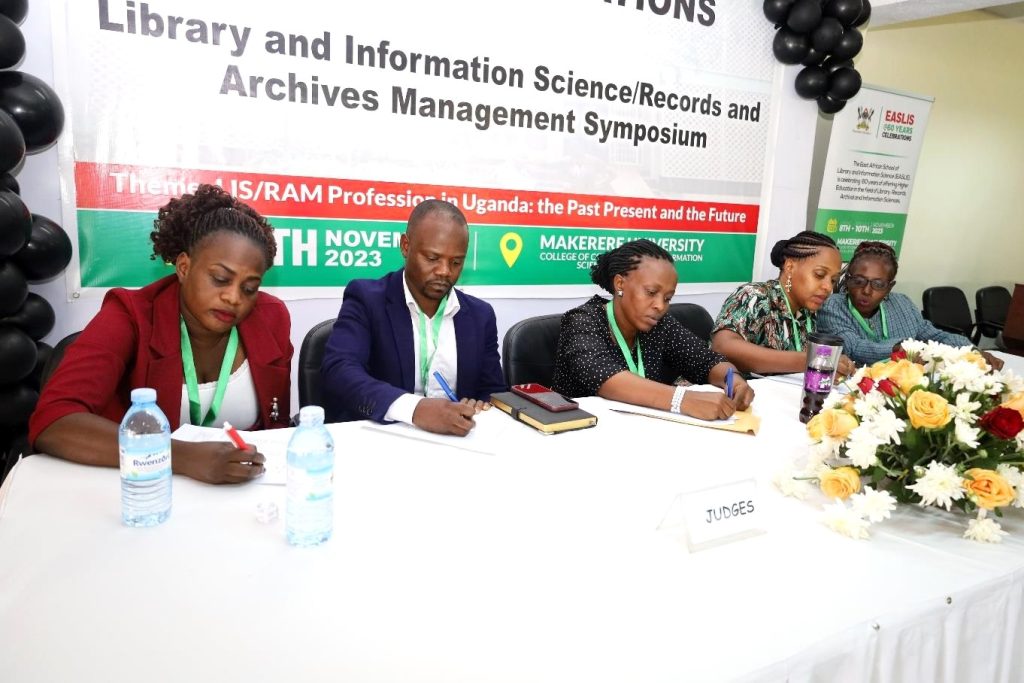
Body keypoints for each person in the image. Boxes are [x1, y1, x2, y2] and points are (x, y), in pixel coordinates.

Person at [29, 184, 292, 484]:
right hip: (145, 490)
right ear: (183, 266)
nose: (234, 298)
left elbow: (276, 425)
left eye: (249, 288)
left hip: (241, 495)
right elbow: (54, 420)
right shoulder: (131, 315)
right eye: (220, 279)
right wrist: (182, 457)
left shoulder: (271, 318)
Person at [321, 199, 505, 435]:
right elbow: (339, 371)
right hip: (385, 440)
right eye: (432, 258)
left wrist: (479, 406)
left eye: (456, 262)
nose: (444, 271)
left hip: (458, 445)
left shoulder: (481, 316)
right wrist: (415, 409)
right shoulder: (367, 300)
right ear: (406, 246)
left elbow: (493, 392)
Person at [551, 239, 753, 420]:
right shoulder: (582, 321)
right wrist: (683, 400)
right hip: (581, 432)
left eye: (668, 298)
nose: (660, 306)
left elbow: (706, 361)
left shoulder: (660, 324)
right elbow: (607, 380)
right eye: (651, 292)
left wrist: (734, 381)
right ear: (620, 283)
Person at [817, 241, 1004, 369]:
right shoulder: (833, 306)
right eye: (858, 281)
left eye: (878, 285)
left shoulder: (902, 304)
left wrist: (972, 351)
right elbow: (854, 348)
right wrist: (901, 349)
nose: (866, 291)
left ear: (889, 287)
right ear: (847, 280)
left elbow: (934, 335)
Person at [711, 231, 856, 377]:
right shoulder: (755, 296)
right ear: (790, 267)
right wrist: (810, 359)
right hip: (734, 394)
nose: (828, 287)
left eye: (833, 280)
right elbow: (722, 346)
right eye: (819, 275)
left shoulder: (808, 312)